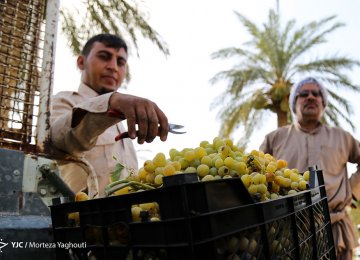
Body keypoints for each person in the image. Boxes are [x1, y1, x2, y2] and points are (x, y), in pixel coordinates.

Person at [50, 33, 169, 198]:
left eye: (120, 62)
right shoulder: (63, 101)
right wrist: (111, 101)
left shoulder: (121, 119)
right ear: (81, 62)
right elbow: (58, 138)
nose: (113, 67)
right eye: (104, 57)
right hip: (81, 219)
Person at [259, 77, 360, 259]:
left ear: (323, 102)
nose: (311, 97)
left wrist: (352, 191)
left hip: (335, 231)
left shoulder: (342, 137)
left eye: (316, 93)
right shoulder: (274, 139)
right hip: (287, 234)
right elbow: (256, 174)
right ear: (294, 103)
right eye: (303, 94)